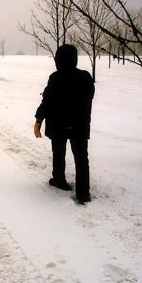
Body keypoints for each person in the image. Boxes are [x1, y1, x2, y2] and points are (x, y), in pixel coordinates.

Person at [33, 44, 95, 205]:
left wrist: (39, 120)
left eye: (57, 59)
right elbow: (88, 99)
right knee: (81, 159)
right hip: (79, 126)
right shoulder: (85, 77)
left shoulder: (56, 77)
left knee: (58, 153)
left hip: (58, 125)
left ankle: (59, 179)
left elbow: (46, 102)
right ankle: (83, 193)